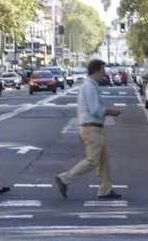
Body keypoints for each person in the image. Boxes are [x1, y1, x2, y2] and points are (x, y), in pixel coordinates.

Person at [55, 59, 122, 199]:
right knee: (92, 160)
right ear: (96, 71)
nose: (104, 74)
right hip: (92, 128)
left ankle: (105, 190)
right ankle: (64, 179)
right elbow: (95, 110)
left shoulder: (90, 85)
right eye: (103, 71)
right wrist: (111, 111)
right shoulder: (90, 87)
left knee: (104, 161)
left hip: (92, 128)